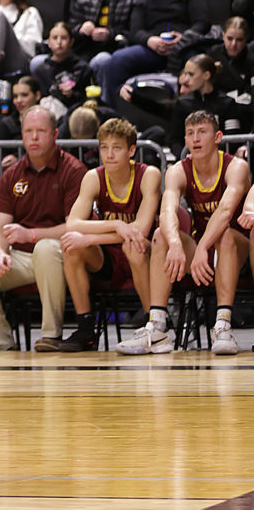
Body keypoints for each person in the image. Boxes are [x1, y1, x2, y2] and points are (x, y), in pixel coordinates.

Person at [118, 112, 251, 356]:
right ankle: (157, 326)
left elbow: (225, 211)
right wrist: (176, 244)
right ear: (185, 140)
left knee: (225, 235)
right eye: (190, 133)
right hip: (202, 251)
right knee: (161, 235)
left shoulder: (236, 167)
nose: (195, 138)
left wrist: (203, 248)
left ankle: (223, 325)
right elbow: (167, 210)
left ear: (217, 137)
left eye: (202, 132)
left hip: (237, 250)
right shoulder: (178, 170)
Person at [0, 106, 87, 352]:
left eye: (41, 131)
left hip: (61, 257)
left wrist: (31, 235)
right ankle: (2, 343)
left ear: (55, 134)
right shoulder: (12, 175)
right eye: (28, 131)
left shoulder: (73, 170)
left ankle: (51, 335)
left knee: (45, 248)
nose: (34, 137)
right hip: (21, 258)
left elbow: (75, 226)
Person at [58, 117, 161, 350]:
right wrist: (116, 225)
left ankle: (154, 326)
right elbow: (72, 224)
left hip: (146, 254)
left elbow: (140, 230)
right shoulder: (93, 177)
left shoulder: (149, 175)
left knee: (133, 245)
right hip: (109, 258)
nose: (109, 154)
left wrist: (92, 237)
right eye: (104, 147)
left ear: (131, 151)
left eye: (116, 148)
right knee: (72, 247)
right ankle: (86, 329)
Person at [96, 0, 210, 102]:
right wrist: (150, 40)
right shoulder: (143, 1)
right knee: (117, 60)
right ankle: (114, 108)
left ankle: (196, 107)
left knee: (197, 63)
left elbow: (202, 23)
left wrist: (183, 38)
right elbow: (135, 31)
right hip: (154, 50)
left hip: (184, 47)